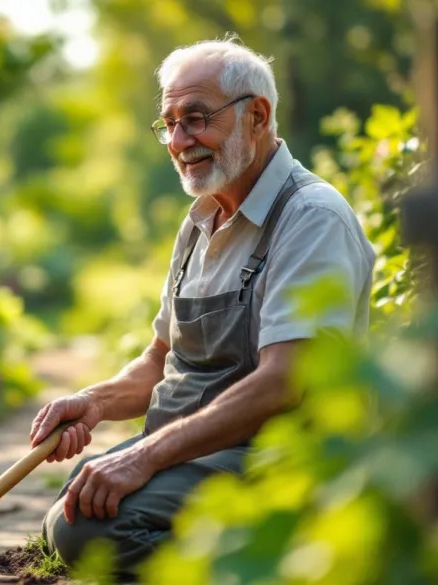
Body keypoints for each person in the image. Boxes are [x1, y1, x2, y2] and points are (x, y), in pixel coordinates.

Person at [32, 35, 376, 574]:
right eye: (168, 123)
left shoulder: (311, 218)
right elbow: (158, 360)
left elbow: (284, 382)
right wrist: (94, 401)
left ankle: (296, 564)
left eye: (195, 118)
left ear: (256, 116)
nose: (179, 140)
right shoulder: (200, 222)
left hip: (270, 461)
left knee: (87, 532)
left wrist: (143, 457)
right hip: (193, 455)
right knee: (77, 501)